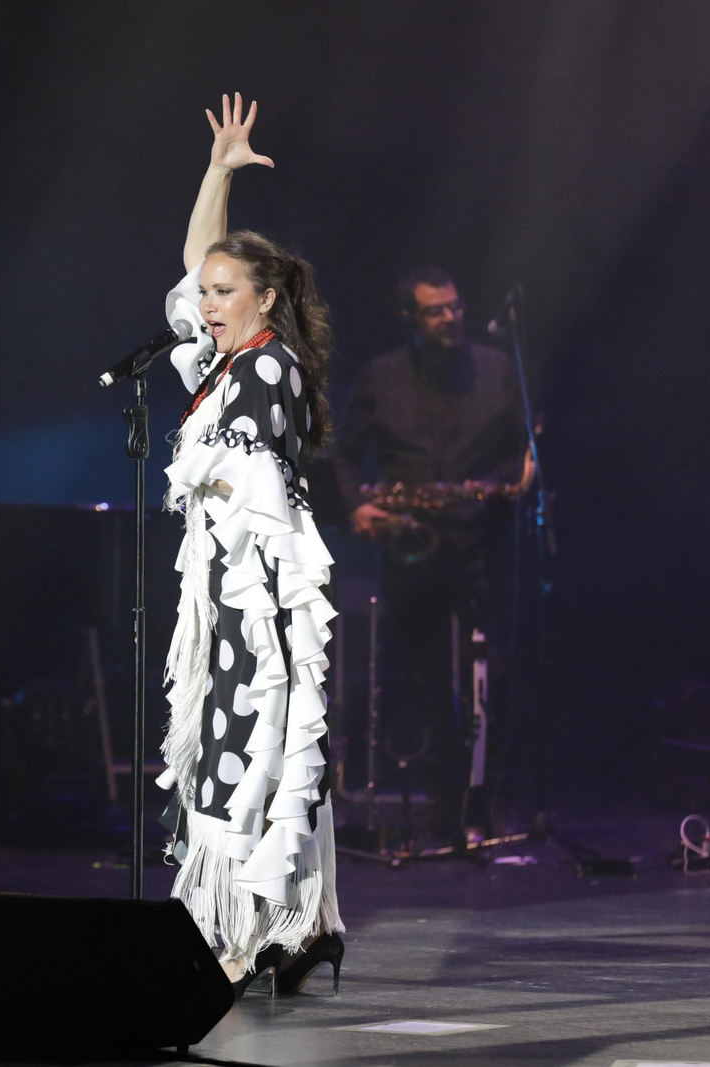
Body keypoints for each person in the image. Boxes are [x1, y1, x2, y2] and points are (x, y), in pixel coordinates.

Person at [156, 93, 344, 996]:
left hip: (258, 590)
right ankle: (301, 927)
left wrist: (212, 479)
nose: (206, 302)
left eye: (226, 294)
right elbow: (199, 260)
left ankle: (246, 930)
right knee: (235, 737)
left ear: (264, 299)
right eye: (206, 297)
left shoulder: (269, 363)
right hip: (224, 580)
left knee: (252, 735)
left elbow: (263, 476)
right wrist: (218, 171)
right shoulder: (225, 358)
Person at [331, 268, 528, 845]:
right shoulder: (382, 376)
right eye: (436, 311)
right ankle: (443, 809)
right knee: (427, 681)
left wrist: (501, 483)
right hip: (412, 542)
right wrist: (358, 511)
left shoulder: (496, 368)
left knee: (493, 681)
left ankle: (487, 805)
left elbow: (522, 449)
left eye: (455, 306)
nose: (450, 318)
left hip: (483, 539)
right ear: (411, 320)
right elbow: (341, 455)